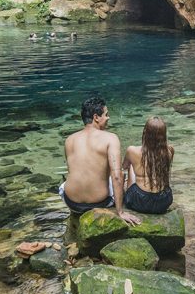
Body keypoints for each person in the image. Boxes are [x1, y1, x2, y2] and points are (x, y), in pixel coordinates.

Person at [60, 96, 141, 224]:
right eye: (106, 114)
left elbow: (73, 170)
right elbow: (116, 176)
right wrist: (120, 212)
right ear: (96, 117)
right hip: (99, 203)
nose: (108, 118)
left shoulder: (69, 139)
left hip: (72, 203)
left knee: (65, 183)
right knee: (123, 176)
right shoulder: (111, 138)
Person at [121, 117, 174, 214]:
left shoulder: (132, 150)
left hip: (140, 201)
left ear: (145, 133)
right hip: (163, 201)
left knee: (131, 165)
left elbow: (124, 166)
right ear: (164, 134)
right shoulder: (169, 151)